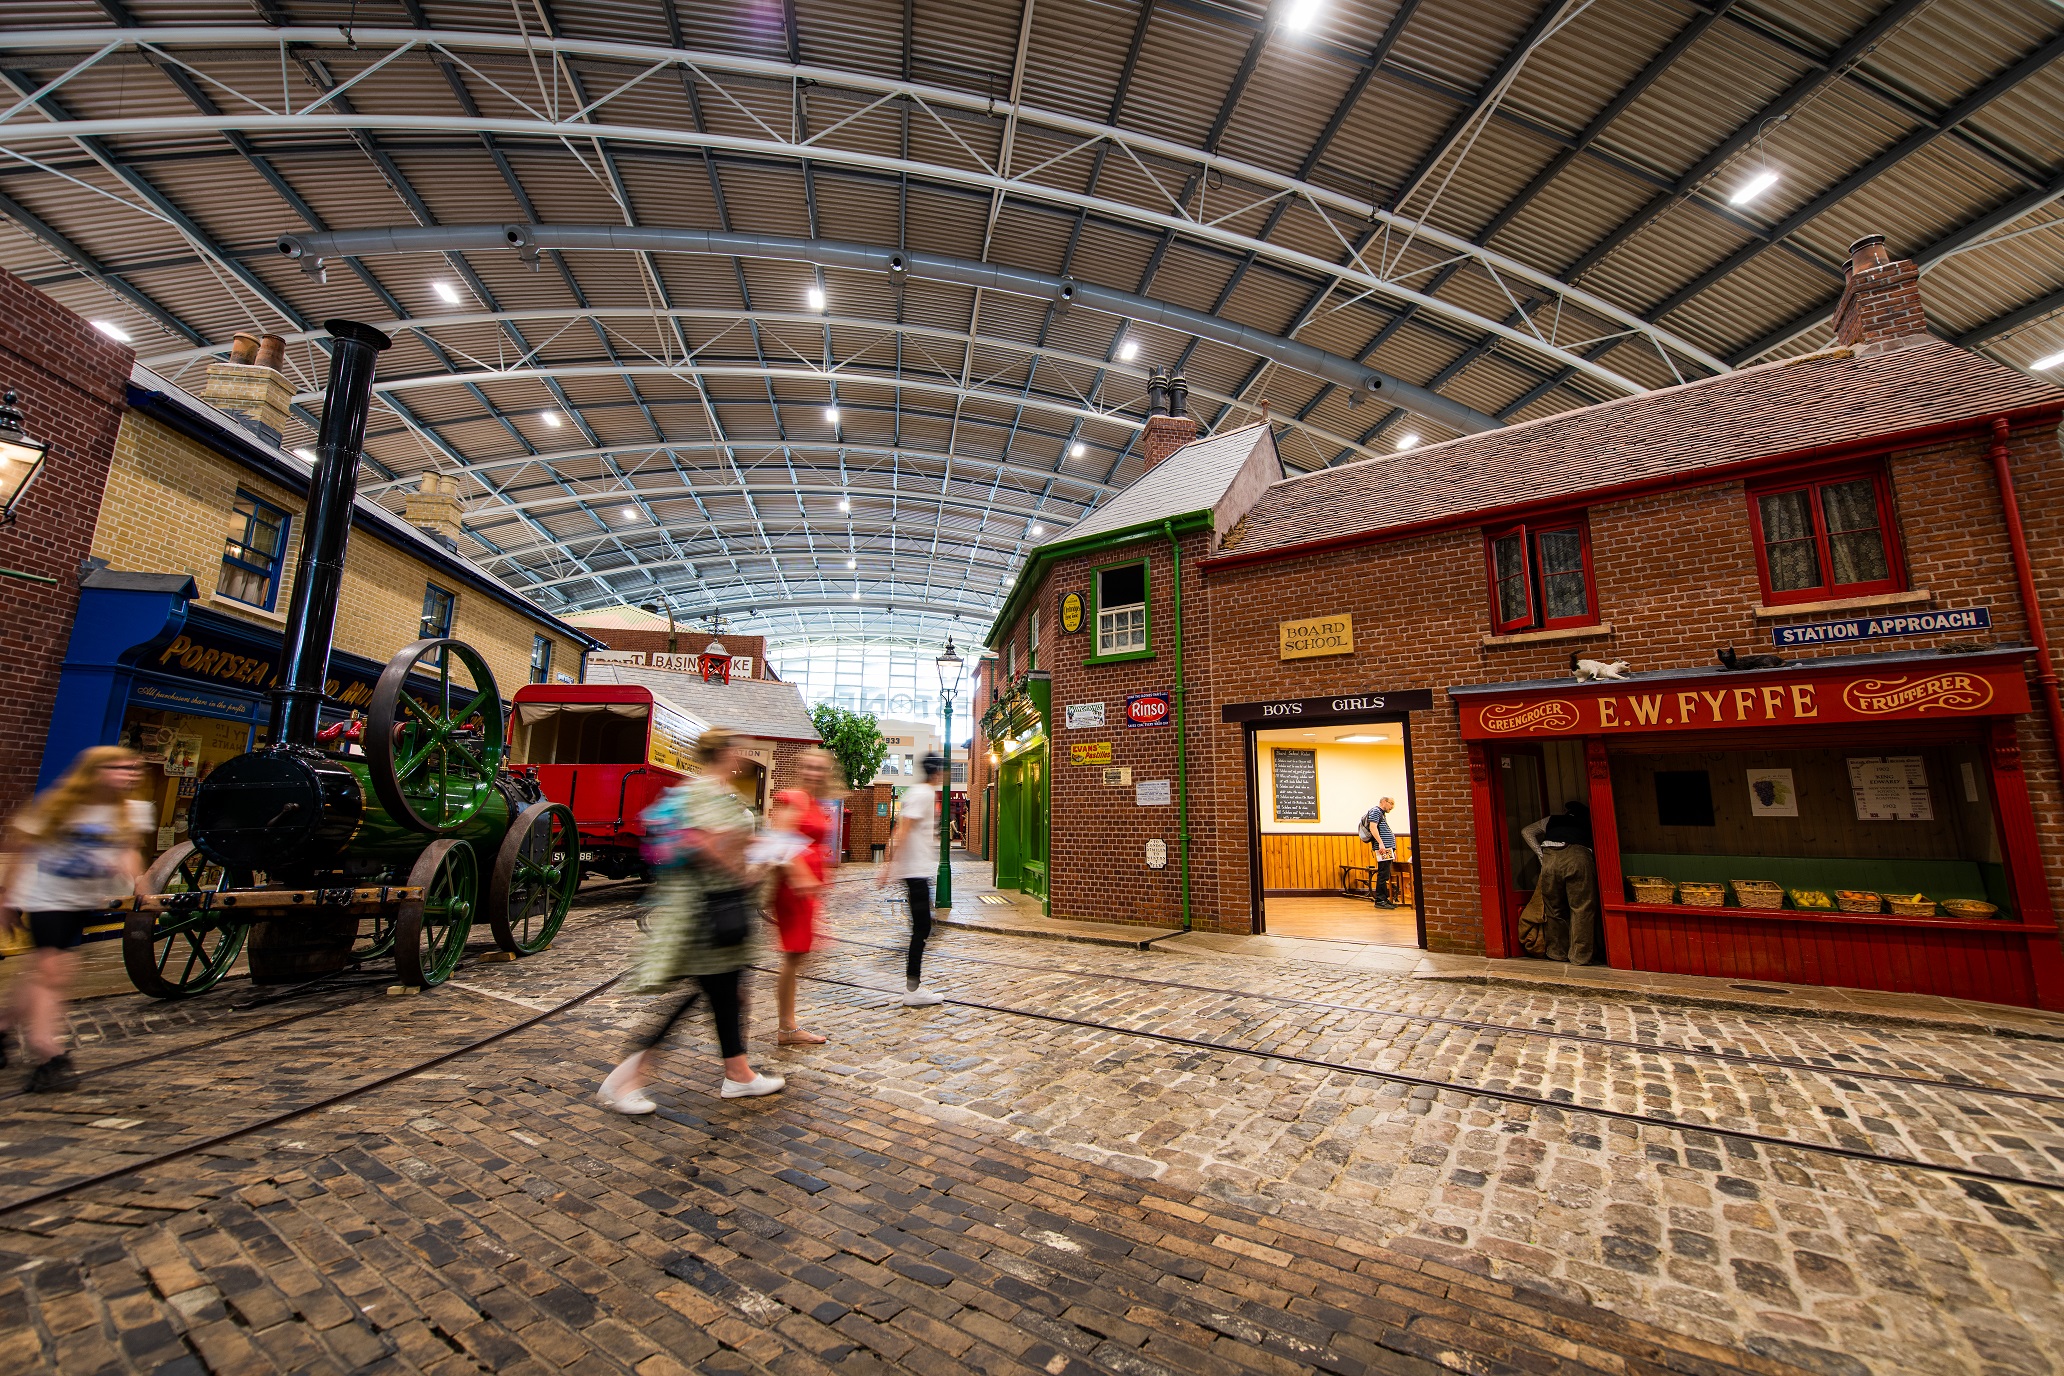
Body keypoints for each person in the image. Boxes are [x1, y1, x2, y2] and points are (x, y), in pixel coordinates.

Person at [598, 728, 784, 1113]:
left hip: (719, 910)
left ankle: (738, 1073)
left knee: (727, 994)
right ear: (726, 754)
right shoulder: (703, 792)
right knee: (707, 996)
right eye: (735, 751)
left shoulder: (714, 792)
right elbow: (703, 842)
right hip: (707, 914)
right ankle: (625, 1080)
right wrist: (746, 868)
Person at [0, 747, 151, 1091]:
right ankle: (47, 1053)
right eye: (120, 767)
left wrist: (137, 878)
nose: (130, 774)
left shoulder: (132, 810)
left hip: (81, 901)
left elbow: (129, 848)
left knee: (43, 973)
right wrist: (7, 898)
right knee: (53, 971)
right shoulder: (58, 804)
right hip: (45, 897)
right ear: (95, 771)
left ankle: (3, 1025)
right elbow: (22, 848)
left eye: (133, 769)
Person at [768, 747, 838, 1045]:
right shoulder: (794, 798)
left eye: (819, 768)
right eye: (809, 767)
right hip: (794, 888)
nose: (814, 772)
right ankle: (787, 1028)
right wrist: (802, 876)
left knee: (796, 956)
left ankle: (788, 1025)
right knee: (793, 955)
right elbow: (781, 840)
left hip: (806, 888)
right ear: (800, 769)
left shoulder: (812, 801)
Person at [877, 753, 945, 1007]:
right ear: (936, 772)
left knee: (922, 927)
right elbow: (902, 829)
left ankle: (913, 987)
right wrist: (888, 865)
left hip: (916, 870)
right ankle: (912, 989)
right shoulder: (924, 794)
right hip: (915, 871)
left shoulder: (919, 792)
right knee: (922, 928)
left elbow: (901, 827)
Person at [1522, 800, 1600, 965]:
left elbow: (1527, 831)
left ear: (1566, 811)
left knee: (1554, 908)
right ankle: (1580, 956)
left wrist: (1540, 855)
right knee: (1582, 908)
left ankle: (1557, 952)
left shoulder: (1552, 820)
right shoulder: (1589, 821)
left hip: (1551, 857)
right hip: (1578, 857)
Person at [1358, 797, 1399, 908]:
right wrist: (1381, 844)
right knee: (1383, 874)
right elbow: (1373, 827)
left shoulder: (1381, 813)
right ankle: (1380, 900)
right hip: (1383, 848)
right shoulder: (1376, 811)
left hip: (1386, 848)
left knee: (1385, 873)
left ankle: (1384, 899)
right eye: (1391, 804)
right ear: (1383, 802)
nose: (1392, 807)